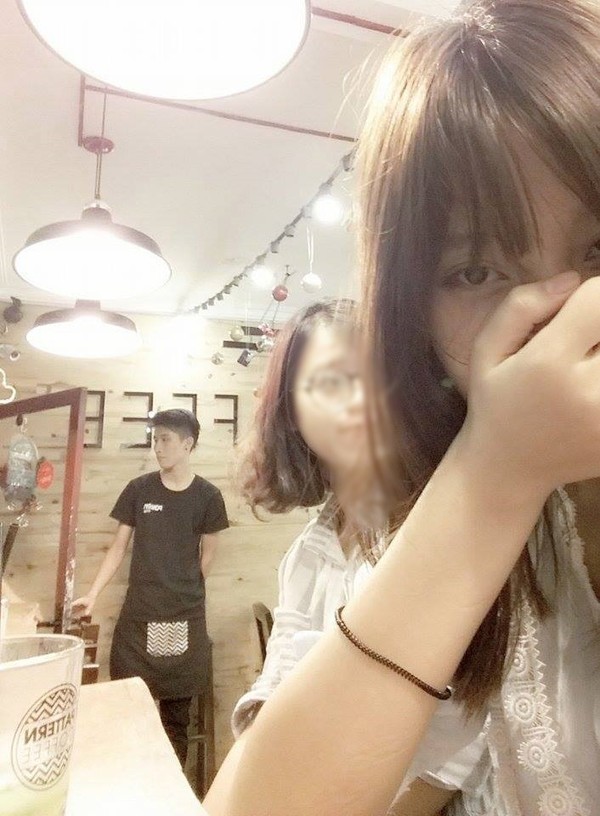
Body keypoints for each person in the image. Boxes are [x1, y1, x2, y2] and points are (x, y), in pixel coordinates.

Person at [202, 2, 600, 815]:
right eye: (477, 271)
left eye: (599, 250)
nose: (563, 317)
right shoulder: (427, 521)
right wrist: (495, 476)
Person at [205, 300, 384, 806]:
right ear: (292, 412)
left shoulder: (420, 529)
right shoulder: (308, 552)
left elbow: (456, 747)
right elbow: (274, 687)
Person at [73, 408, 228, 767]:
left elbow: (208, 556)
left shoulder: (208, 496)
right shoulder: (139, 490)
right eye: (155, 439)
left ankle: (171, 789)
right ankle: (131, 783)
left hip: (184, 618)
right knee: (128, 708)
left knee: (176, 720)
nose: (157, 447)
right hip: (139, 615)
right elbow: (118, 548)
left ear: (187, 444)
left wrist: (181, 587)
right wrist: (93, 594)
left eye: (165, 439)